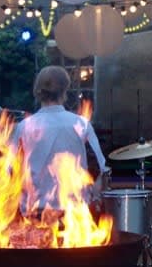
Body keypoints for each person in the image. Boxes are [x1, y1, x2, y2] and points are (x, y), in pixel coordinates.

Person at [10, 65, 108, 212]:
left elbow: (9, 170)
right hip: (76, 217)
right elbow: (104, 170)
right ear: (64, 91)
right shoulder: (81, 124)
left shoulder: (23, 127)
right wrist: (95, 196)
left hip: (34, 215)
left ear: (38, 91)